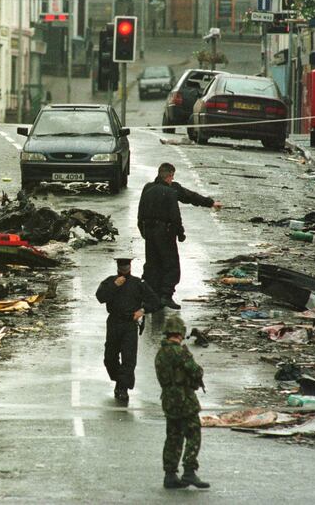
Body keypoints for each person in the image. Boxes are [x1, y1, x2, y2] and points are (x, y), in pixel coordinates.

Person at [137, 162, 222, 310]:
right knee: (171, 265)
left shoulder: (148, 188)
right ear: (170, 176)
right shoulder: (171, 191)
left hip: (149, 231)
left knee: (152, 264)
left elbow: (140, 212)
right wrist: (180, 233)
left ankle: (152, 298)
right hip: (165, 232)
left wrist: (143, 230)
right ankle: (166, 296)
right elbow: (177, 214)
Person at [95, 257, 160, 403]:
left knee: (128, 358)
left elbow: (155, 301)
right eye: (122, 266)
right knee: (110, 357)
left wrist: (142, 310)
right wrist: (114, 286)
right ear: (118, 267)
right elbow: (100, 297)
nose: (124, 268)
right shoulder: (110, 281)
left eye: (126, 265)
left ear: (130, 267)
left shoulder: (138, 283)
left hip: (130, 324)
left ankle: (122, 388)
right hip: (114, 322)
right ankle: (120, 380)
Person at [155, 315, 210, 490]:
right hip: (184, 398)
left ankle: (170, 474)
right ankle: (189, 471)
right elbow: (196, 372)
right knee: (193, 433)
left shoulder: (161, 353)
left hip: (169, 398)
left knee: (173, 436)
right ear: (180, 333)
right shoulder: (180, 352)